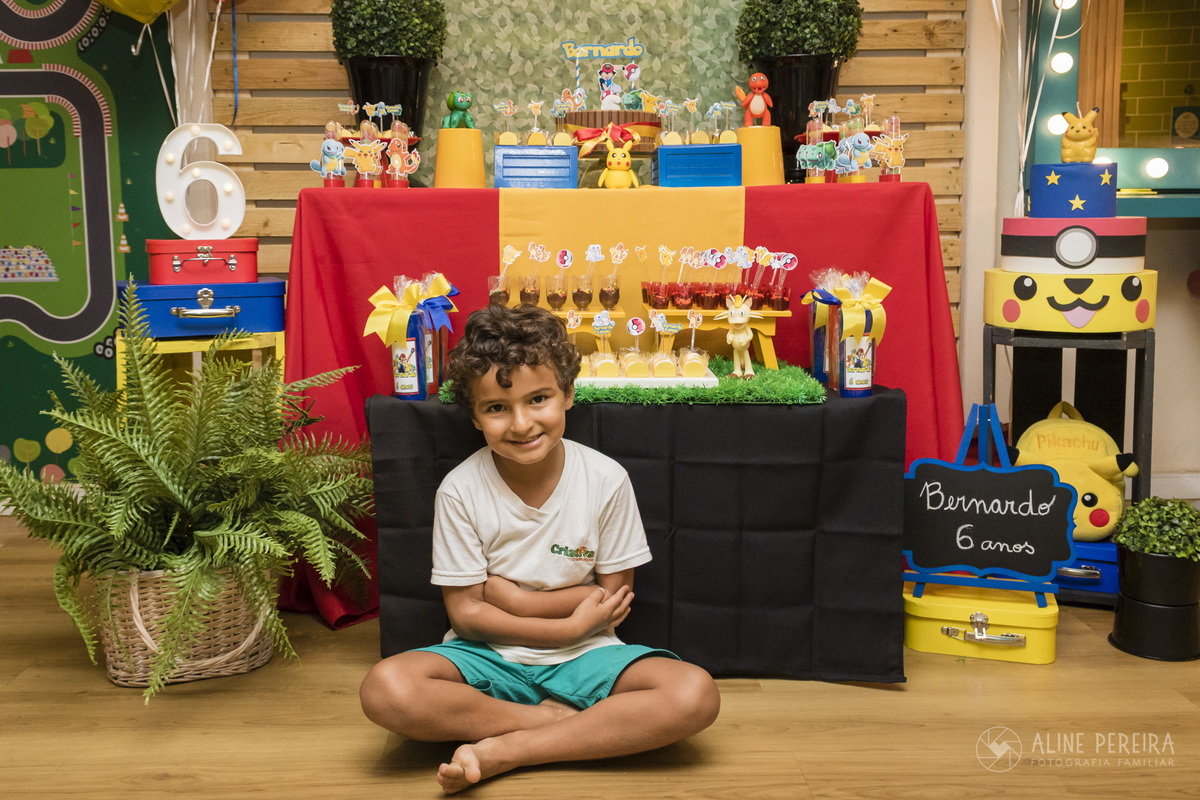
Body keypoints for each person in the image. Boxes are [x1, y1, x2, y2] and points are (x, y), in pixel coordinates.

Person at [360, 304, 721, 794]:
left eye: (538, 399)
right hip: (485, 657)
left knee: (694, 693)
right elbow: (466, 617)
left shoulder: (606, 479)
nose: (522, 423)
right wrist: (567, 617)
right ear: (474, 415)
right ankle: (554, 722)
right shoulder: (460, 490)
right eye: (497, 408)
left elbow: (611, 604)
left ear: (568, 395)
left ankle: (509, 748)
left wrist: (516, 601)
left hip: (586, 653)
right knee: (386, 689)